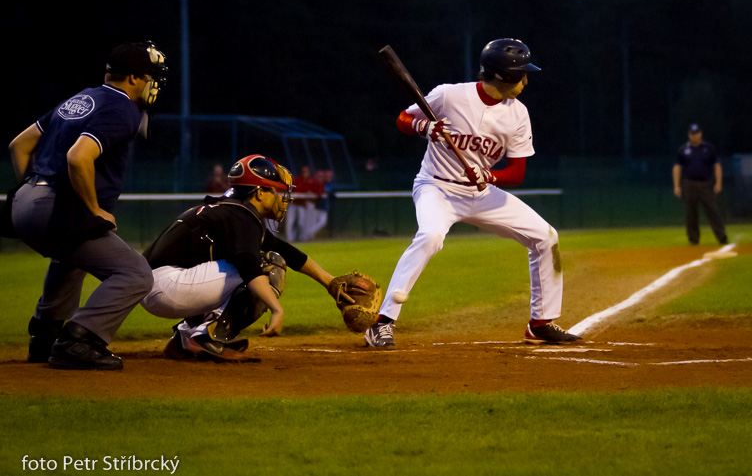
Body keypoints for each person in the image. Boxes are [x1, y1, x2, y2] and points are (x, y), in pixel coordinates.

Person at [364, 38, 582, 348]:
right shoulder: (449, 94)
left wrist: (489, 175)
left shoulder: (517, 114)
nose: (526, 79)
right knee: (430, 237)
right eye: (522, 73)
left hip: (481, 193)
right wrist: (425, 128)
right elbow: (404, 119)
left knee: (546, 237)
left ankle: (540, 323)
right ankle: (382, 323)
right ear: (503, 77)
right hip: (436, 186)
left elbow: (517, 173)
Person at [7, 41, 168, 370]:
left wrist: (34, 188)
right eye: (152, 76)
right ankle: (80, 340)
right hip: (50, 205)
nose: (155, 83)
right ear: (134, 78)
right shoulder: (123, 108)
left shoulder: (83, 97)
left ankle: (46, 337)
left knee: (71, 259)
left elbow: (19, 145)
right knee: (135, 274)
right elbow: (78, 157)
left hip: (24, 199)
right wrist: (92, 209)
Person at [140, 154, 352, 360]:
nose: (281, 198)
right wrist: (276, 309)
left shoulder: (230, 210)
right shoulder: (242, 216)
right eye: (275, 191)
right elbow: (248, 266)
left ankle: (184, 338)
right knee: (269, 265)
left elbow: (285, 249)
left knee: (260, 260)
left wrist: (329, 282)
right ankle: (209, 336)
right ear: (259, 192)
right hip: (169, 286)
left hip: (154, 286)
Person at [672, 124, 728, 245]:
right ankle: (693, 239)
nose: (694, 136)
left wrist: (718, 183)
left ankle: (722, 237)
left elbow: (717, 166)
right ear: (689, 135)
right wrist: (676, 185)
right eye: (692, 134)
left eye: (696, 133)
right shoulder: (683, 150)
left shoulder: (708, 148)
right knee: (691, 213)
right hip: (689, 184)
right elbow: (677, 167)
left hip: (705, 184)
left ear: (700, 134)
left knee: (713, 211)